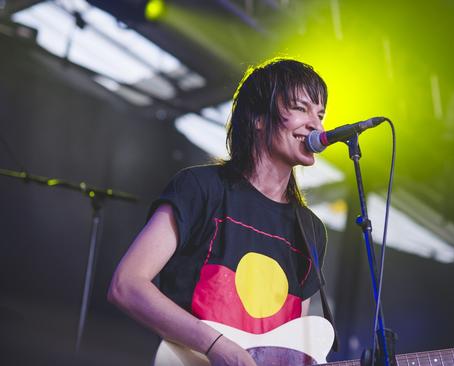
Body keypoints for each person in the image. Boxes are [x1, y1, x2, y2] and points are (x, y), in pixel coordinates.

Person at [108, 58, 329, 366]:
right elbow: (126, 285)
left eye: (320, 114)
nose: (316, 125)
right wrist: (215, 346)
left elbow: (291, 347)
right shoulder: (200, 188)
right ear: (259, 117)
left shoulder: (310, 230)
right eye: (301, 108)